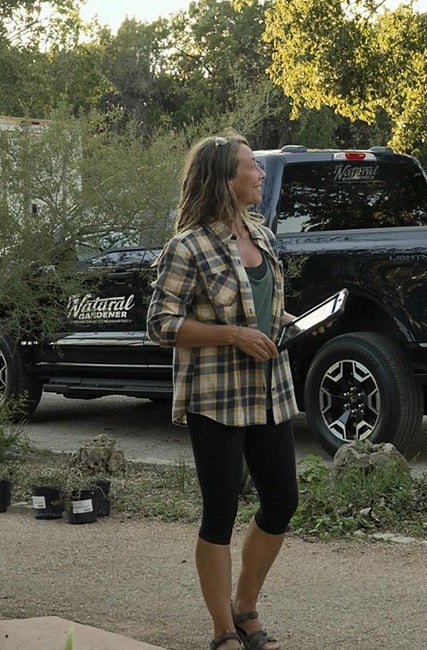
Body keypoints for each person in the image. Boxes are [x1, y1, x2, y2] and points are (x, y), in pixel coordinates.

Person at [147, 134, 296, 650]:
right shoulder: (186, 247)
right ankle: (223, 631)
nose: (260, 174)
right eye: (252, 167)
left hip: (269, 391)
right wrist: (233, 335)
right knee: (220, 510)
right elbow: (161, 323)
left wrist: (298, 325)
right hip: (216, 395)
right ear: (225, 180)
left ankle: (245, 607)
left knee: (282, 500)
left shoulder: (263, 234)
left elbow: (266, 311)